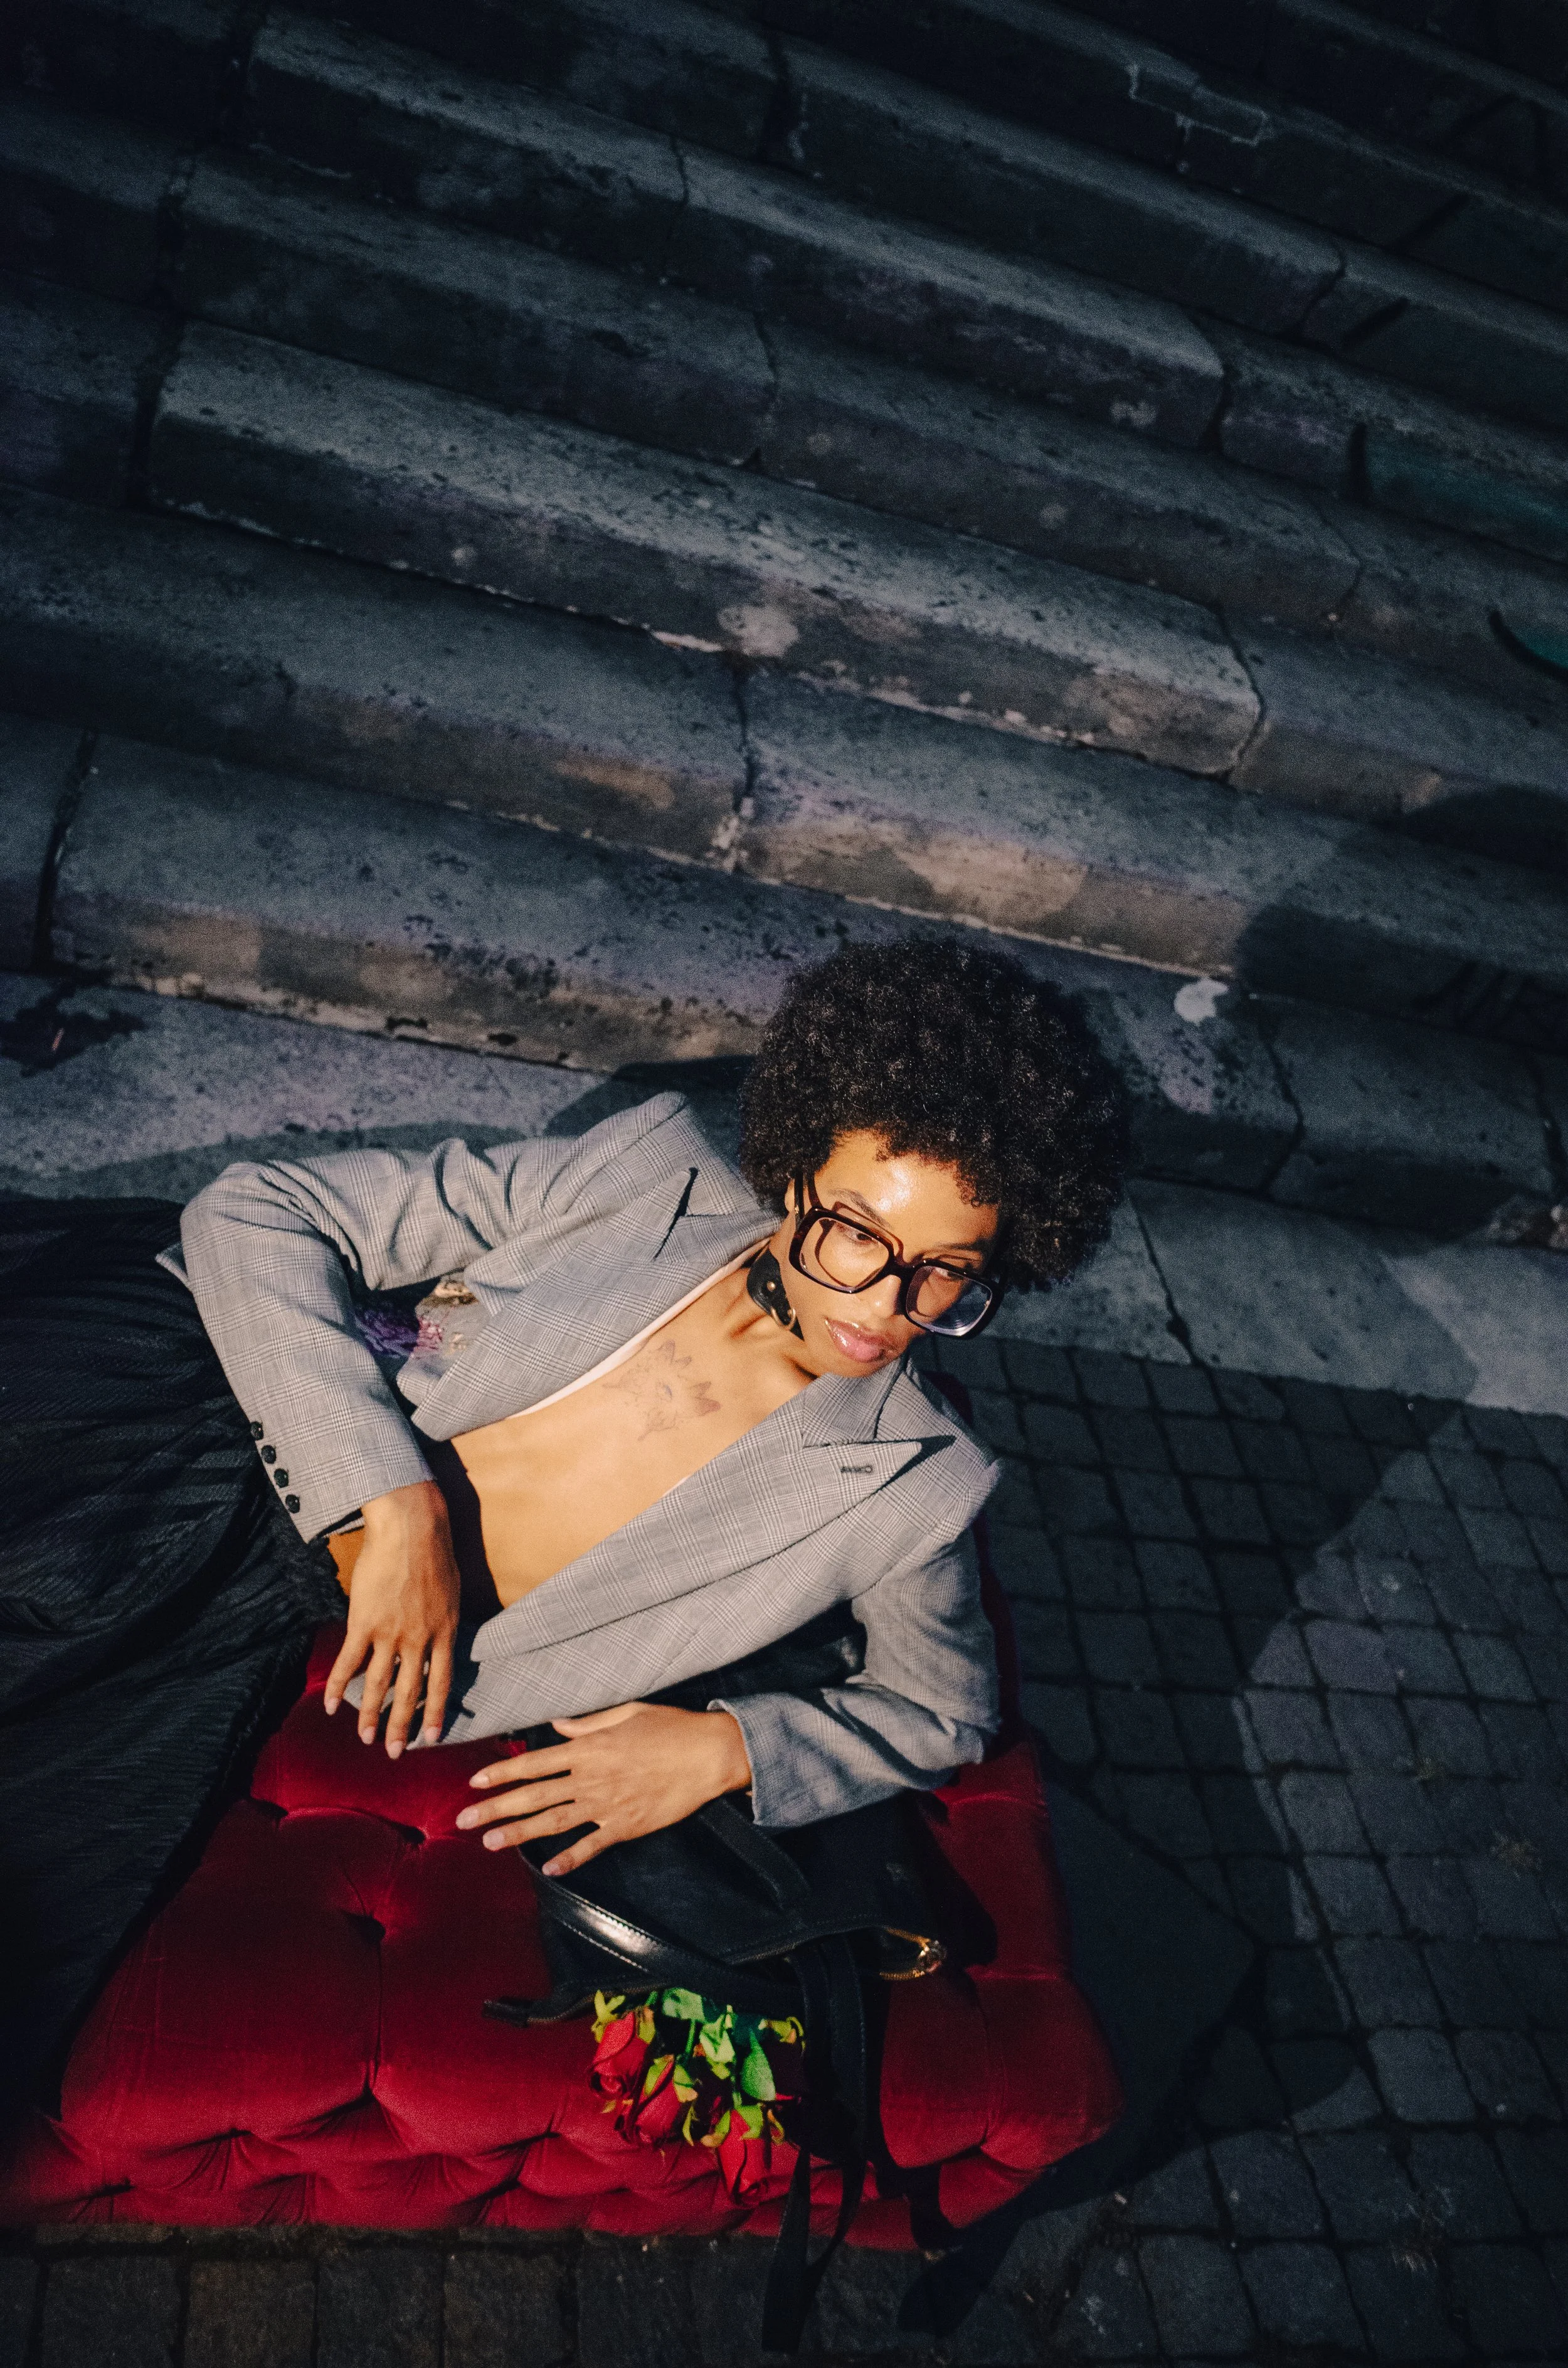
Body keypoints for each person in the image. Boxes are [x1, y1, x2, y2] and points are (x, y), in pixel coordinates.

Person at [0, 933, 1125, 2110]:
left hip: (252, 1632)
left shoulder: (921, 1485)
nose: (885, 1304)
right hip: (202, 1405)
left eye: (945, 1272)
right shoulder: (649, 1175)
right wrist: (392, 1509)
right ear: (797, 1170)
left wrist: (726, 1749)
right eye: (858, 1231)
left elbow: (947, 1709)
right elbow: (262, 1207)